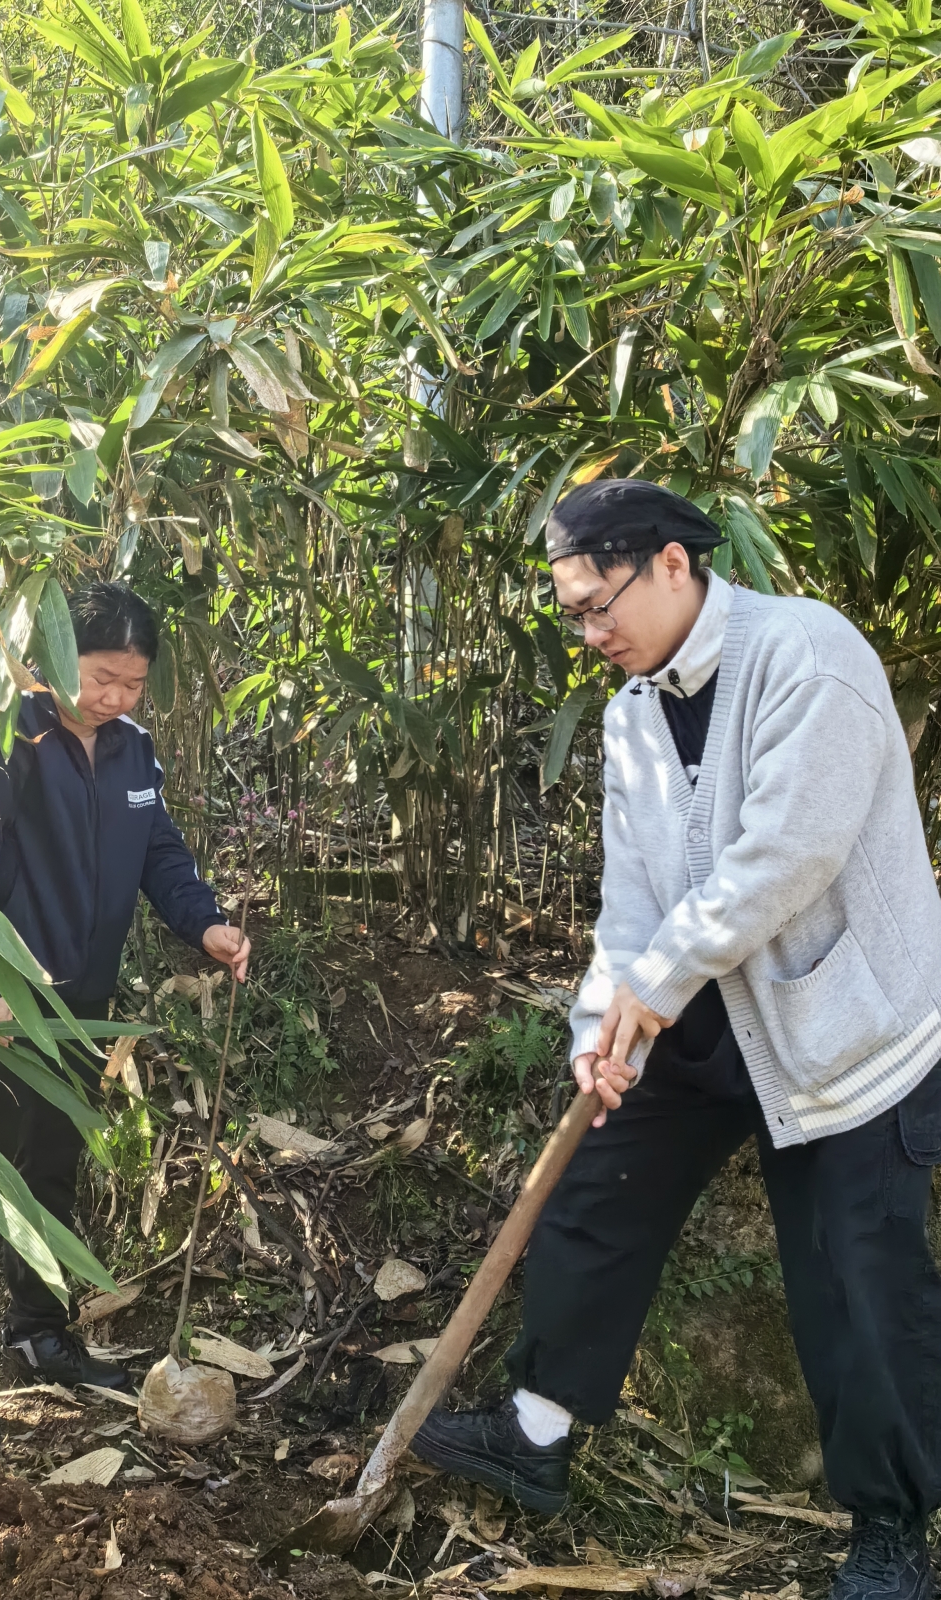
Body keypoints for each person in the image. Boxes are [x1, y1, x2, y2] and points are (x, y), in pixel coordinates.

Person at [412, 479, 941, 1600]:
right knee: (599, 1183)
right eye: (572, 617)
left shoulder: (809, 657)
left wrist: (655, 981)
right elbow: (633, 901)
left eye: (598, 607)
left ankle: (891, 1532)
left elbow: (789, 852)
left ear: (669, 563)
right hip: (711, 1014)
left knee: (854, 1275)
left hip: (847, 1028)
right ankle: (536, 1431)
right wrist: (600, 1020)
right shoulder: (631, 715)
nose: (591, 635)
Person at [0, 581, 250, 1442]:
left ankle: (41, 1331)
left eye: (133, 684)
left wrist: (205, 923)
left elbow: (161, 853)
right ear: (57, 657)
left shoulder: (134, 752)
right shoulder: (1, 737)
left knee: (52, 1166)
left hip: (82, 1007)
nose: (115, 698)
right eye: (102, 677)